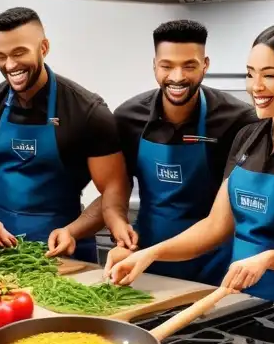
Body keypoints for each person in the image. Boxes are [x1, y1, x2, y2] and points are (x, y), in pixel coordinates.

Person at [106, 23, 274, 309]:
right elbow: (215, 226)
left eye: (269, 75)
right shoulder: (248, 137)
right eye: (250, 74)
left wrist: (271, 258)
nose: (256, 86)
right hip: (237, 300)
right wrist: (149, 254)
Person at [0, 7, 135, 261]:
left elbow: (115, 189)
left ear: (44, 48)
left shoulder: (87, 111)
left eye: (19, 53)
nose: (9, 65)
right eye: (1, 56)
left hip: (67, 253)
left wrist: (73, 231)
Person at [79, 20, 257, 283]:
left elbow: (232, 212)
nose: (177, 77)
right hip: (144, 261)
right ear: (154, 65)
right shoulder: (128, 117)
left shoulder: (239, 121)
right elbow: (117, 186)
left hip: (214, 264)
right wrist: (119, 227)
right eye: (166, 66)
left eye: (189, 65)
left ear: (205, 65)